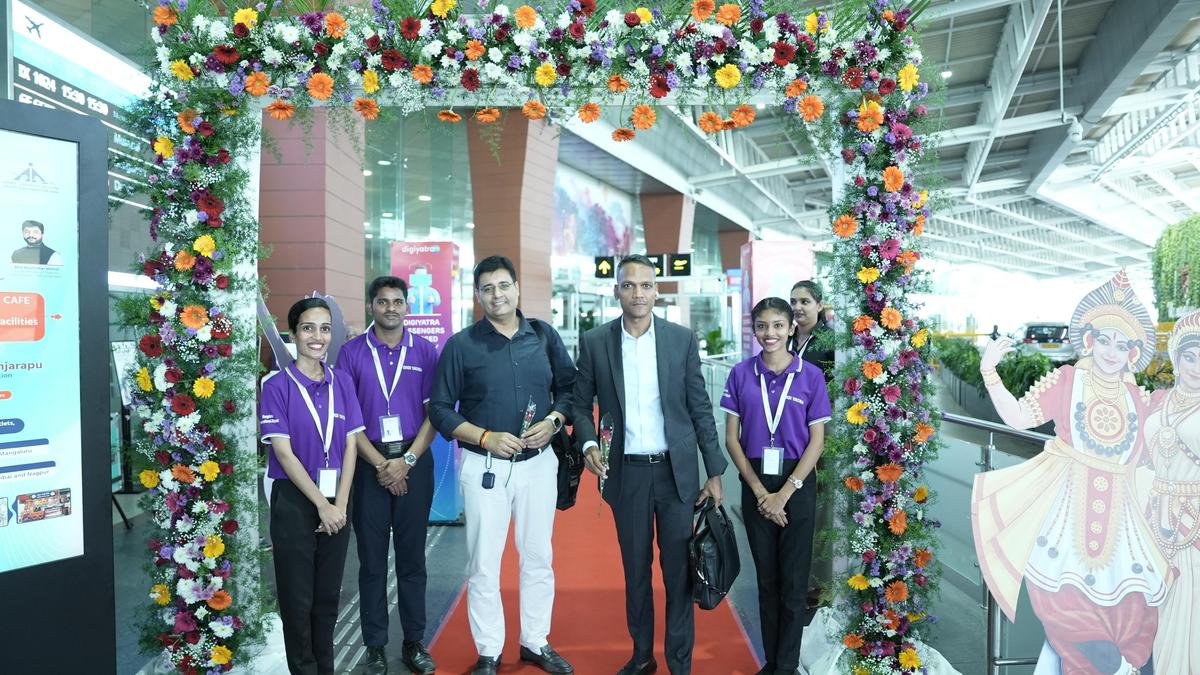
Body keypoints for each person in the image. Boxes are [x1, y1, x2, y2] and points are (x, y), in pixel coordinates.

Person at [973, 271, 1166, 674]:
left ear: (1132, 353)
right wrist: (990, 372)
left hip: (1125, 533)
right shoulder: (1067, 381)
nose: (1112, 352)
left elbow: (1160, 449)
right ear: (1091, 341)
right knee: (1076, 629)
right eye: (1105, 340)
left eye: (1122, 345)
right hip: (1064, 526)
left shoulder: (1138, 398)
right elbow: (1019, 418)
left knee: (1136, 625)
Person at [572, 253, 727, 675]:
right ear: (616, 290)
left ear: (657, 291)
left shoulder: (680, 339)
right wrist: (588, 443)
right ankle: (642, 657)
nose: (637, 293)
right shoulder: (596, 342)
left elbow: (699, 407)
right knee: (636, 572)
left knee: (678, 573)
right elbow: (580, 405)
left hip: (676, 474)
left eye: (645, 285)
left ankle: (680, 663)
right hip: (627, 474)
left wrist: (714, 471)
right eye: (629, 285)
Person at [428, 255, 576, 675]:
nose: (497, 295)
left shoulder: (543, 336)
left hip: (538, 465)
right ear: (478, 296)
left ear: (517, 288)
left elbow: (570, 390)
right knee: (483, 563)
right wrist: (484, 436)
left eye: (503, 285)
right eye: (488, 288)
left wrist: (554, 421)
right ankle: (489, 651)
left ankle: (535, 641)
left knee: (538, 557)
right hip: (484, 467)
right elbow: (440, 408)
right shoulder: (461, 345)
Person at [720, 297, 831, 675]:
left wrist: (784, 493)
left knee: (794, 583)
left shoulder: (810, 375)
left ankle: (786, 666)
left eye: (778, 325)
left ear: (791, 328)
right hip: (755, 480)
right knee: (766, 581)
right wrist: (759, 492)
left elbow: (817, 441)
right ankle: (772, 663)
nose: (770, 333)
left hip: (796, 481)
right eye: (762, 326)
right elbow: (732, 438)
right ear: (754, 329)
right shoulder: (740, 374)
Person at [335, 276, 439, 675]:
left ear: (407, 307)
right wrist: (382, 464)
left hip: (414, 461)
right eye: (383, 301)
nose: (390, 308)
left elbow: (434, 414)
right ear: (371, 307)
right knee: (372, 562)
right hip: (367, 465)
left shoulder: (425, 351)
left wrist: (406, 462)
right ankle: (375, 646)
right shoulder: (351, 353)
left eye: (397, 301)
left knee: (412, 559)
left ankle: (414, 642)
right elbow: (348, 419)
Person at [259, 297, 363, 675]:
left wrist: (341, 505)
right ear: (293, 334)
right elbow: (284, 453)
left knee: (327, 598)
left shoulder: (342, 382)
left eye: (324, 328)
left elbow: (351, 445)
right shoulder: (277, 386)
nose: (317, 337)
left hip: (337, 500)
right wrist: (322, 505)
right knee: (297, 600)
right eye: (308, 328)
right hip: (295, 500)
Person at [1143, 310, 1200, 672]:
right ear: (1176, 359)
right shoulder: (1158, 402)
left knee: (1190, 611)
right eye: (1190, 357)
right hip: (1153, 525)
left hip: (1193, 529)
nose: (1197, 367)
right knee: (1154, 617)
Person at [789, 280, 833, 383]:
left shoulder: (831, 339)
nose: (797, 307)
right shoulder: (785, 338)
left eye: (804, 302)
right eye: (793, 302)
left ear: (819, 306)